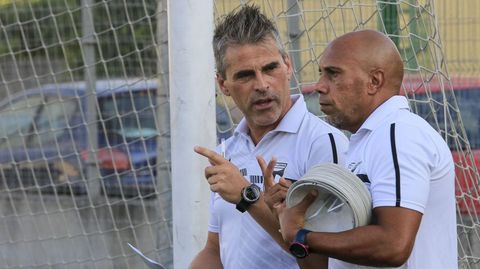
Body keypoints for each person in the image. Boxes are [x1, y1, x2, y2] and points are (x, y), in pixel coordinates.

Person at [274, 29, 457, 269]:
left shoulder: (398, 134)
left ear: (374, 81)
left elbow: (394, 245)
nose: (319, 86)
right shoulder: (366, 140)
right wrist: (291, 215)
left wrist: (302, 236)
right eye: (321, 74)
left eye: (333, 74)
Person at [188, 5, 349, 269]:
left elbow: (323, 264)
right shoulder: (228, 150)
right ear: (223, 85)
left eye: (270, 68)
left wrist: (246, 196)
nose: (262, 84)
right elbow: (216, 250)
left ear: (287, 66)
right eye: (245, 75)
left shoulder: (323, 144)